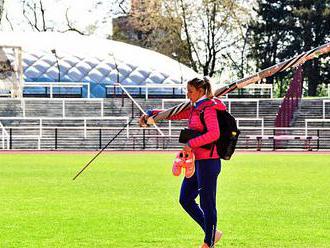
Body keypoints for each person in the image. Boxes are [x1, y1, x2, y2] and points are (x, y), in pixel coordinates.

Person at [140, 77, 226, 248]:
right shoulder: (195, 108)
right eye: (187, 91)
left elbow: (214, 134)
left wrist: (190, 144)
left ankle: (208, 243)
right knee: (185, 198)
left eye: (191, 91)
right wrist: (153, 114)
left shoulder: (208, 108)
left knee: (207, 203)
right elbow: (175, 114)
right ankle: (212, 233)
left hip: (208, 162)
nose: (188, 94)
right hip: (196, 162)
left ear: (201, 91)